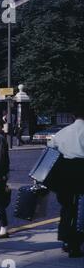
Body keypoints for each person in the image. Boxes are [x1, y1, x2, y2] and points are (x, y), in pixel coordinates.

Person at [50, 104, 84, 258]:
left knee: (67, 208)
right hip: (81, 172)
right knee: (80, 210)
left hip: (64, 174)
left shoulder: (61, 132)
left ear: (72, 117)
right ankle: (75, 245)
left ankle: (65, 240)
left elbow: (51, 148)